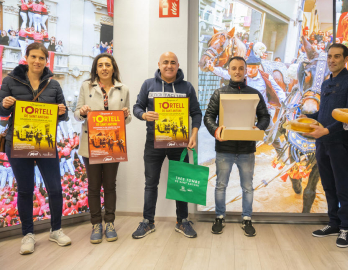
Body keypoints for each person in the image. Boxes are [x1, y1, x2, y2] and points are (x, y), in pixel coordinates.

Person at [0, 43, 71, 255]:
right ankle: (28, 234)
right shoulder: (10, 81)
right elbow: (0, 112)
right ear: (26, 57)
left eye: (41, 58)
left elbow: (65, 115)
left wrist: (62, 111)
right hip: (18, 142)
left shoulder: (53, 84)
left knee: (56, 189)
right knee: (25, 190)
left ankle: (56, 229)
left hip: (45, 142)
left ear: (46, 60)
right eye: (33, 57)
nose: (37, 61)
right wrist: (4, 104)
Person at [299, 43, 348, 248]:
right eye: (329, 56)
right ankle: (333, 223)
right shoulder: (326, 84)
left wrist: (326, 130)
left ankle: (346, 227)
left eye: (337, 56)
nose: (332, 60)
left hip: (340, 142)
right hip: (322, 143)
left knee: (342, 186)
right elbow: (324, 114)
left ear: (345, 59)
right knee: (327, 186)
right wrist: (307, 117)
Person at [132, 51, 202, 239]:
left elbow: (196, 113)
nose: (169, 65)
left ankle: (182, 221)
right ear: (159, 64)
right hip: (153, 142)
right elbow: (137, 107)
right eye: (165, 62)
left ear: (178, 65)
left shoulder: (187, 87)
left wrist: (194, 134)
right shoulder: (148, 84)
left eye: (173, 62)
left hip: (179, 143)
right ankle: (148, 222)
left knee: (182, 183)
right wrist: (144, 115)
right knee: (150, 183)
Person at [204, 56, 270, 237]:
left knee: (247, 187)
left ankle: (247, 218)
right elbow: (208, 116)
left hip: (246, 149)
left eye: (241, 68)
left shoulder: (254, 93)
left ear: (246, 70)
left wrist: (260, 127)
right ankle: (219, 216)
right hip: (224, 148)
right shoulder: (219, 93)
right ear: (229, 70)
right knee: (221, 185)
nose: (237, 71)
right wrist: (215, 130)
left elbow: (265, 116)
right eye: (234, 68)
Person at [74, 53, 131, 244]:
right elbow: (76, 113)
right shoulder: (86, 86)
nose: (104, 68)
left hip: (113, 145)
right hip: (91, 144)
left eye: (108, 64)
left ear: (113, 67)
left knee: (110, 186)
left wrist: (126, 115)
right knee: (93, 187)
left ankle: (110, 223)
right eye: (100, 65)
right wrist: (81, 112)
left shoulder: (124, 89)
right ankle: (96, 224)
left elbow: (128, 118)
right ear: (96, 68)